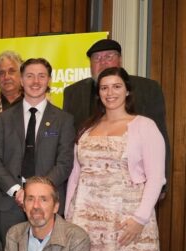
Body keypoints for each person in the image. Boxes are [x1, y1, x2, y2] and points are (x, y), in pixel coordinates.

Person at [64, 67, 166, 251]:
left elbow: (157, 177)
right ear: (99, 94)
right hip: (88, 218)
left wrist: (139, 218)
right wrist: (69, 213)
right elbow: (75, 174)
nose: (110, 92)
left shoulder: (143, 126)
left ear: (127, 91)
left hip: (125, 219)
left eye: (116, 86)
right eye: (104, 88)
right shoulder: (87, 128)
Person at [0, 58, 75, 245]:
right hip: (9, 202)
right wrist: (18, 191)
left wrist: (37, 193)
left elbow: (64, 163)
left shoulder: (63, 119)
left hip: (48, 202)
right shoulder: (4, 119)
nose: (35, 82)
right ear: (21, 80)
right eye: (30, 76)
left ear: (49, 80)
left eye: (41, 76)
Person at [63, 38, 168, 193]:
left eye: (108, 57)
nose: (103, 62)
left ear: (120, 60)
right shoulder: (73, 92)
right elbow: (68, 142)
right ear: (90, 65)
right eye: (97, 59)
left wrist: (161, 186)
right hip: (86, 188)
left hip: (132, 190)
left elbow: (161, 139)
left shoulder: (148, 89)